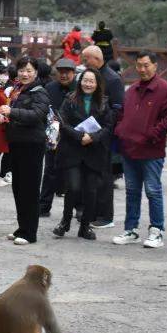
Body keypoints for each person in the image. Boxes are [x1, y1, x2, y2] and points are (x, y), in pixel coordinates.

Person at [112, 52, 167, 249]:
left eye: (146, 65)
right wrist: (120, 131)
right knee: (132, 191)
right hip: (129, 149)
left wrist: (152, 134)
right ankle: (131, 229)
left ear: (155, 66)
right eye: (139, 65)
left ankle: (156, 230)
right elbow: (123, 114)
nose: (142, 69)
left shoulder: (165, 90)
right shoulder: (131, 90)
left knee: (153, 191)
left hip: (151, 151)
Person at [54, 68, 114, 241]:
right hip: (73, 150)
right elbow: (62, 121)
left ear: (97, 84)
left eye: (91, 81)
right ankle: (65, 222)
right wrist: (80, 136)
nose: (88, 84)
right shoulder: (70, 99)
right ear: (80, 82)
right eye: (85, 80)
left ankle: (85, 226)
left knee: (91, 191)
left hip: (94, 152)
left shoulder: (103, 102)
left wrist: (93, 138)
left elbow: (108, 127)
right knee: (73, 187)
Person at [0, 56, 50, 245]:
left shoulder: (39, 92)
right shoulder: (18, 90)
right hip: (17, 143)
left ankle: (30, 233)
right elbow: (17, 115)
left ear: (36, 72)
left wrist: (12, 113)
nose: (25, 74)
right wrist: (5, 117)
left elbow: (37, 115)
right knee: (18, 188)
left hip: (32, 146)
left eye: (29, 70)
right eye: (22, 70)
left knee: (29, 190)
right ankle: (22, 227)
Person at [81, 46, 124, 229]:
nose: (84, 63)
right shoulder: (89, 77)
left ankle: (106, 216)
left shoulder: (113, 79)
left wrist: (101, 128)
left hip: (106, 135)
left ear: (96, 59)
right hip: (88, 133)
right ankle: (90, 211)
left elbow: (118, 109)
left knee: (105, 176)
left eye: (86, 60)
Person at [39, 57, 78, 216]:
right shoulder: (49, 87)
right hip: (53, 134)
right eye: (60, 72)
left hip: (74, 134)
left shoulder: (80, 88)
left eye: (67, 72)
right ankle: (43, 206)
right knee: (49, 171)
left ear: (73, 73)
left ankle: (79, 209)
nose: (64, 75)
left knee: (74, 173)